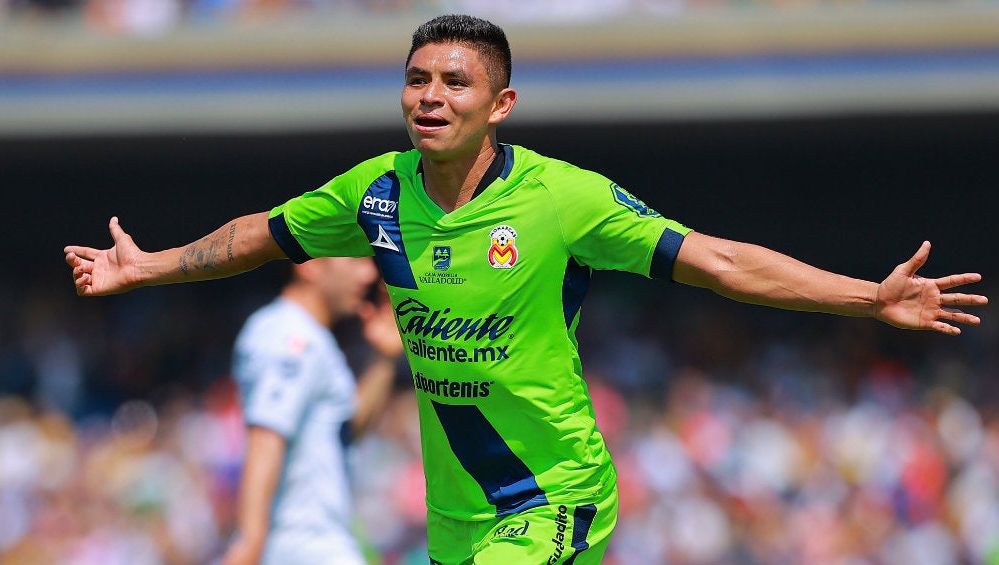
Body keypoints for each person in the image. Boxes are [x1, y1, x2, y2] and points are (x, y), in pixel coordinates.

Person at [64, 14, 988, 565]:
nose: (430, 96)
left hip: (552, 493)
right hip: (458, 514)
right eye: (416, 79)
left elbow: (718, 260)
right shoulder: (375, 191)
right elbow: (257, 236)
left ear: (500, 105)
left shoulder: (562, 199)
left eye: (455, 82)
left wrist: (866, 297)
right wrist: (148, 264)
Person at [221, 257, 404, 565]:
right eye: (355, 259)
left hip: (315, 543)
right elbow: (266, 436)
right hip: (302, 545)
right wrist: (249, 540)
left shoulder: (309, 336)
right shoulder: (288, 335)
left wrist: (383, 360)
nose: (369, 273)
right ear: (309, 264)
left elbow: (344, 428)